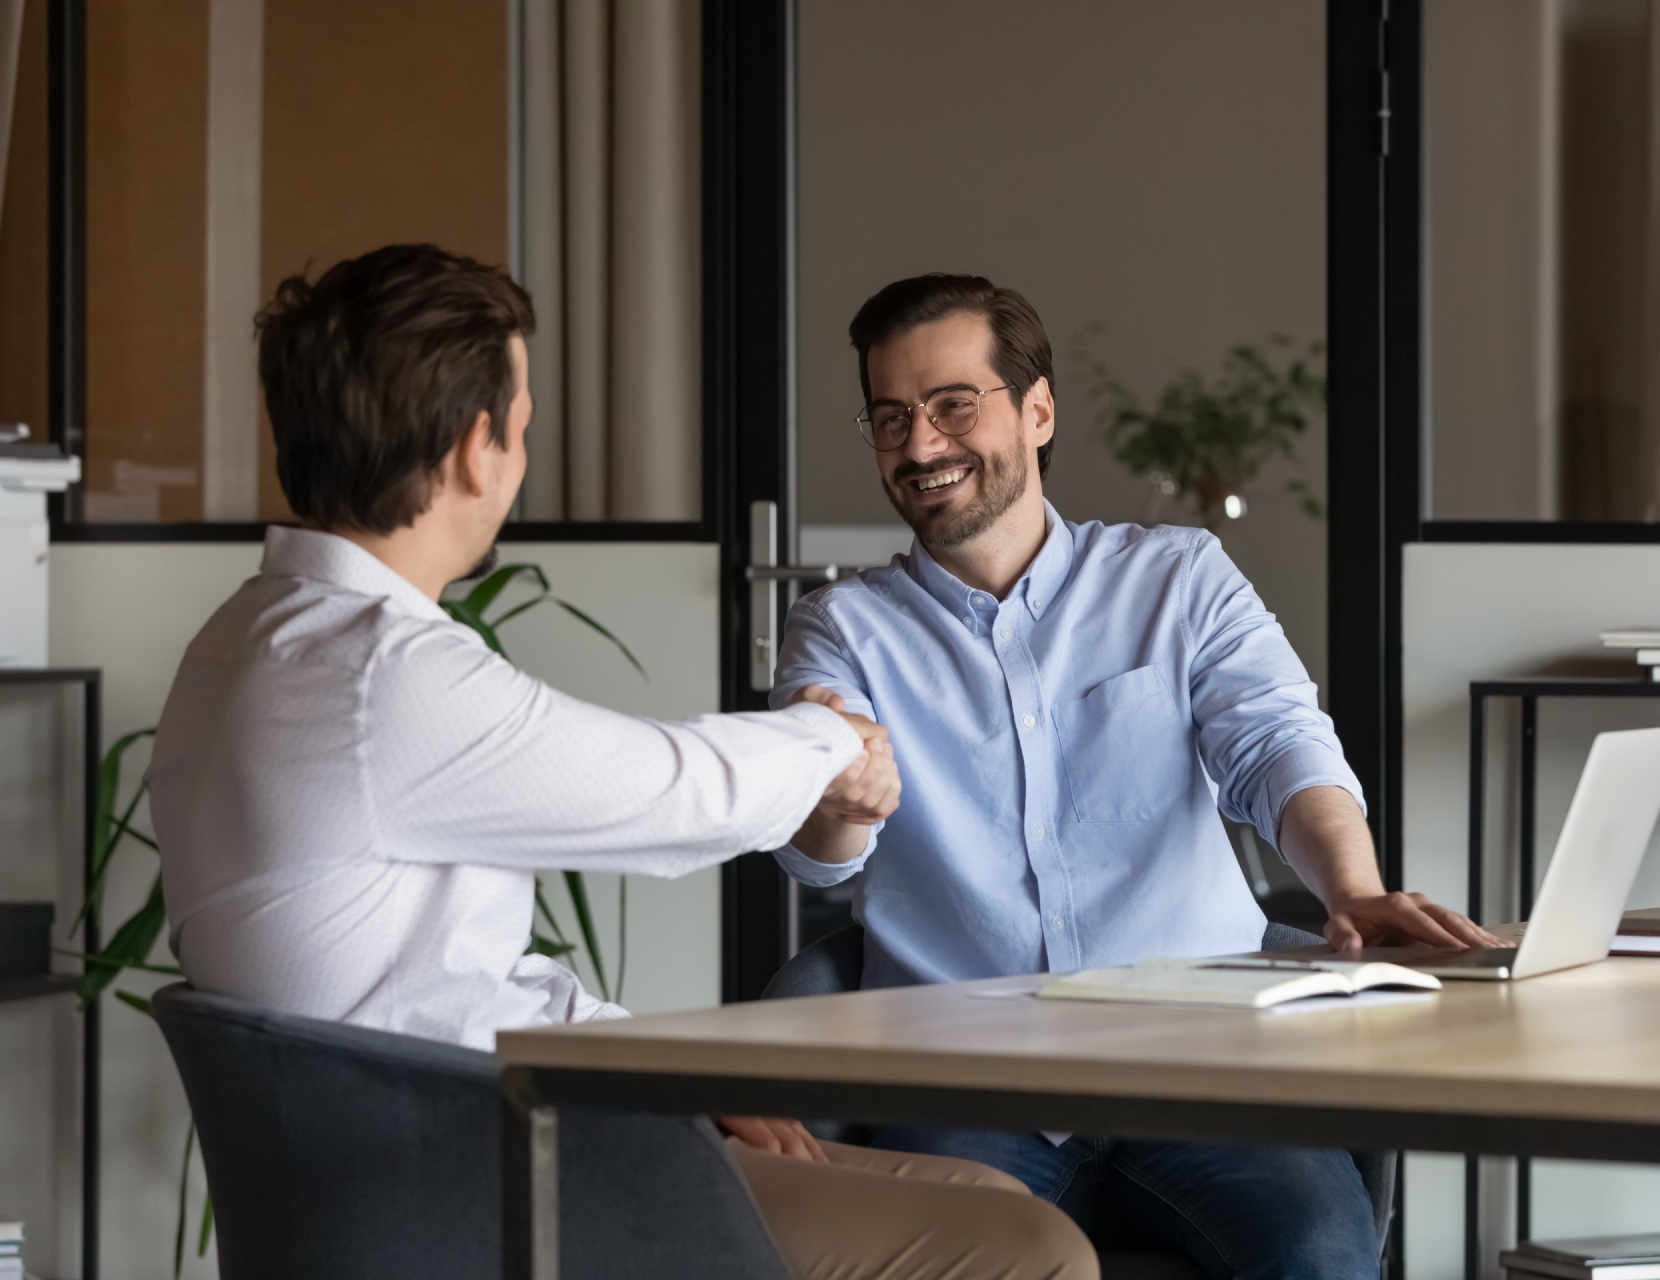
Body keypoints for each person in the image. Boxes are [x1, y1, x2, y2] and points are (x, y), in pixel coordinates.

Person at [147, 245, 1095, 1280]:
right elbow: (670, 788)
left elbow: (448, 986)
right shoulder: (378, 670)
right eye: (523, 424)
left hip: (436, 1146)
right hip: (474, 1181)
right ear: (478, 448)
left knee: (988, 1197)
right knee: (1030, 1247)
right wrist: (840, 742)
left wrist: (676, 1076)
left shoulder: (248, 636)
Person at [771, 273, 1504, 1280]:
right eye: (892, 417)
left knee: (1319, 1254)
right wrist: (834, 807)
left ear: (1037, 410)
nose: (922, 444)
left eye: (952, 405)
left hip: (1204, 1069)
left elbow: (1276, 740)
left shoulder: (1179, 576)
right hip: (965, 1082)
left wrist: (1354, 887)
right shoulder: (840, 628)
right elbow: (817, 850)